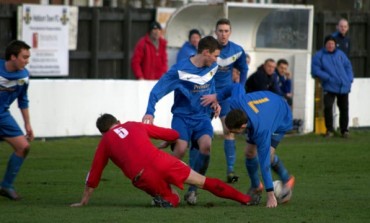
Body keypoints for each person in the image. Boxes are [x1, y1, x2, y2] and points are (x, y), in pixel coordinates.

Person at [70, 114, 252, 208]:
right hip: (162, 161)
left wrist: (84, 200)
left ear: (103, 132)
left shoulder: (105, 142)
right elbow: (173, 134)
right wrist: (166, 142)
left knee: (172, 197)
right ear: (119, 120)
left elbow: (94, 173)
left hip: (142, 176)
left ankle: (167, 200)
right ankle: (244, 198)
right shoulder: (134, 124)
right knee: (204, 182)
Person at [142, 36, 221, 205]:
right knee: (180, 149)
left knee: (206, 146)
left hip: (202, 117)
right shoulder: (179, 70)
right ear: (206, 52)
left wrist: (215, 102)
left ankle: (193, 190)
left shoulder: (213, 66)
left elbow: (211, 86)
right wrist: (150, 111)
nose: (216, 59)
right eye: (215, 55)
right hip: (182, 117)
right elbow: (157, 90)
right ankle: (162, 188)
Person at [201, 84, 296, 208]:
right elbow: (236, 86)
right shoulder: (236, 103)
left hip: (281, 116)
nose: (230, 133)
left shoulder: (261, 130)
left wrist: (271, 195)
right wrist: (217, 96)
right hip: (265, 107)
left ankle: (286, 178)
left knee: (268, 156)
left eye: (233, 131)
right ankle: (256, 186)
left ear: (242, 127)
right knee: (249, 153)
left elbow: (264, 164)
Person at [213, 18, 248, 183]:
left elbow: (244, 68)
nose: (223, 34)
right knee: (199, 134)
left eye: (226, 31)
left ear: (230, 32)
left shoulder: (237, 50)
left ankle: (230, 171)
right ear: (215, 32)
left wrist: (239, 87)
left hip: (225, 96)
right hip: (207, 95)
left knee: (229, 130)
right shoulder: (209, 49)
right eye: (220, 30)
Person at [0, 40, 34, 200]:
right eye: (24, 57)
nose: (27, 61)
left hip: (3, 116)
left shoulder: (23, 76)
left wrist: (27, 123)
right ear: (13, 57)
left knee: (24, 147)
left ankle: (6, 185)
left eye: (28, 57)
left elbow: (23, 99)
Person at [311, 35, 353, 138]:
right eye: (329, 43)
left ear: (335, 45)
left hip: (343, 86)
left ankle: (344, 131)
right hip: (329, 86)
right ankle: (329, 130)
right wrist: (328, 77)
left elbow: (348, 66)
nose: (330, 45)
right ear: (325, 44)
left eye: (332, 44)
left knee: (344, 108)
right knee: (328, 107)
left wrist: (349, 79)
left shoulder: (340, 54)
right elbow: (315, 70)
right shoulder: (319, 55)